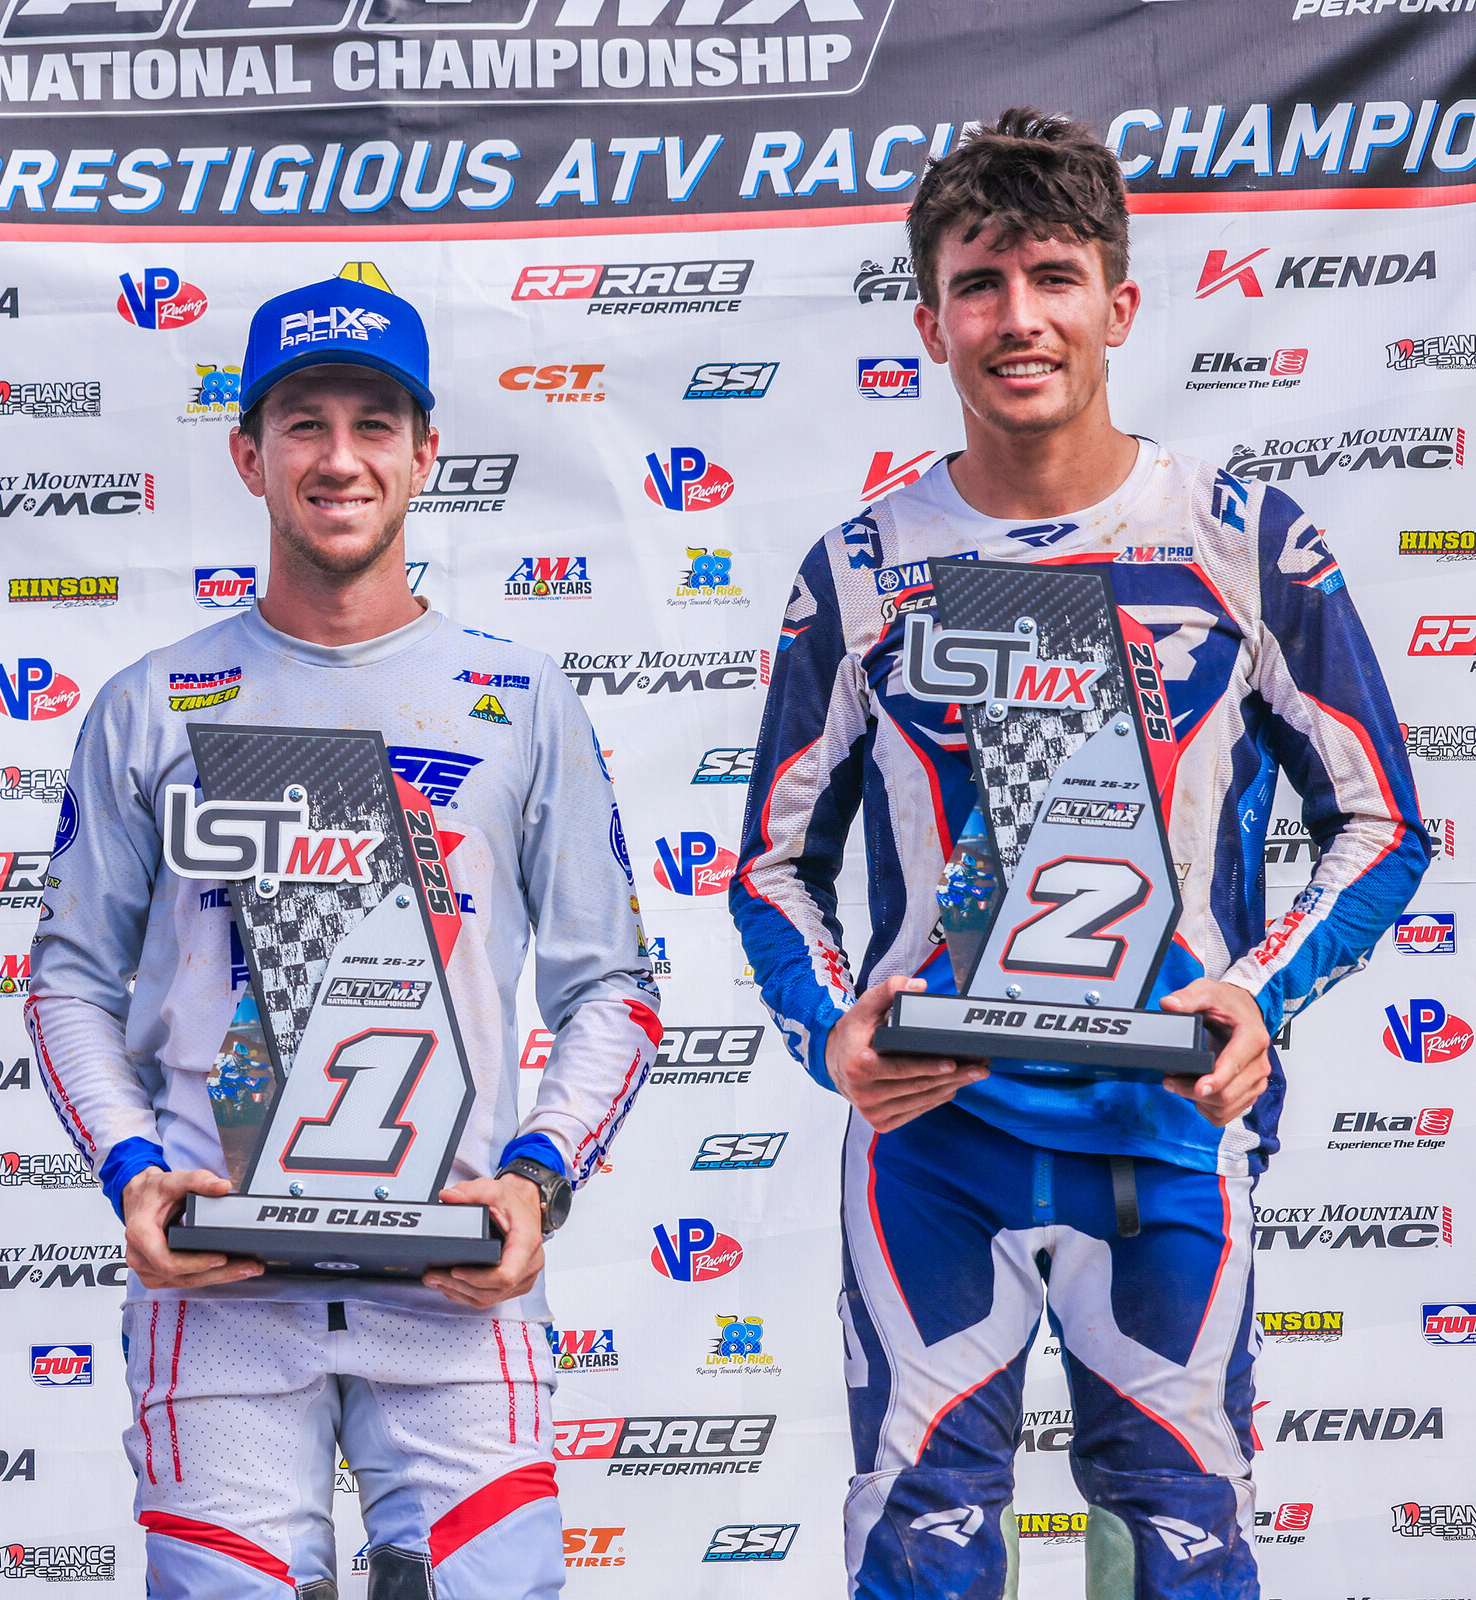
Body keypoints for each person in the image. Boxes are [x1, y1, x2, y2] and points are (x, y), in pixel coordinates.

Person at [730, 109, 1428, 1599]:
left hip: (1168, 1127)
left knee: (1181, 1553)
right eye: (979, 284)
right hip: (936, 1138)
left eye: (1053, 276)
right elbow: (770, 864)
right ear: (927, 320)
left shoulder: (1238, 540)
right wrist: (830, 1028)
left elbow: (1380, 826)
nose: (1018, 318)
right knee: (920, 1549)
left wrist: (1260, 992)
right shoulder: (863, 568)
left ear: (1118, 302)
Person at [25, 273, 661, 1600]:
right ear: (249, 452)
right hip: (221, 1299)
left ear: (426, 453)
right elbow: (69, 984)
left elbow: (612, 989)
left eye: (375, 422)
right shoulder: (151, 707)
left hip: (454, 1287)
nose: (339, 458)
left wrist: (537, 1183)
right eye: (303, 423)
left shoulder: (519, 701)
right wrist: (138, 1176)